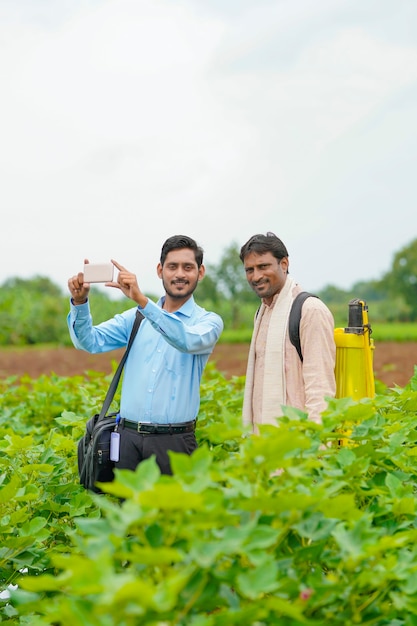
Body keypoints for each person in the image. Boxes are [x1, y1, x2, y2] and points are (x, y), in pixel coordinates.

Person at [67, 235, 223, 475]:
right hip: (127, 440)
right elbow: (90, 341)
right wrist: (80, 302)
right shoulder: (136, 318)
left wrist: (143, 302)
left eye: (188, 267)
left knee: (172, 511)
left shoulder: (207, 322)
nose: (179, 274)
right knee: (125, 510)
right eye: (172, 266)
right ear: (160, 270)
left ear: (200, 273)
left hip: (175, 442)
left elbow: (186, 340)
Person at [239, 231, 336, 430]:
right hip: (265, 446)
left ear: (284, 264)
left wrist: (316, 449)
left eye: (263, 266)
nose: (256, 276)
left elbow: (320, 390)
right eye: (250, 269)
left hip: (297, 447)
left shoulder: (310, 310)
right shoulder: (262, 313)